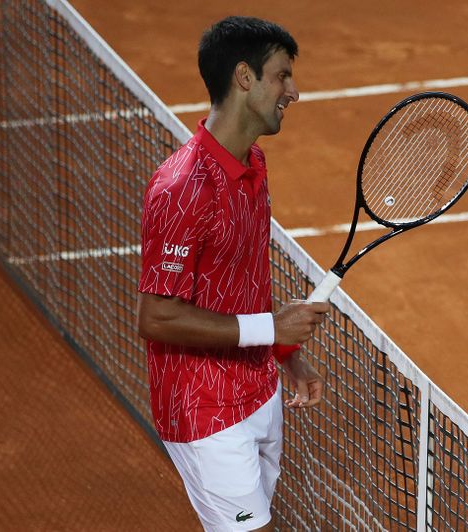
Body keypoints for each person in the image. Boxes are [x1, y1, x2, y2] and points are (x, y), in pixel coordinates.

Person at [137, 16, 329, 531]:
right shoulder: (182, 188)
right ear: (244, 77)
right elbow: (156, 317)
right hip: (203, 409)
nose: (293, 91)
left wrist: (285, 354)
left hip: (260, 389)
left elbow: (241, 280)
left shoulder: (254, 165)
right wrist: (273, 330)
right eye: (281, 76)